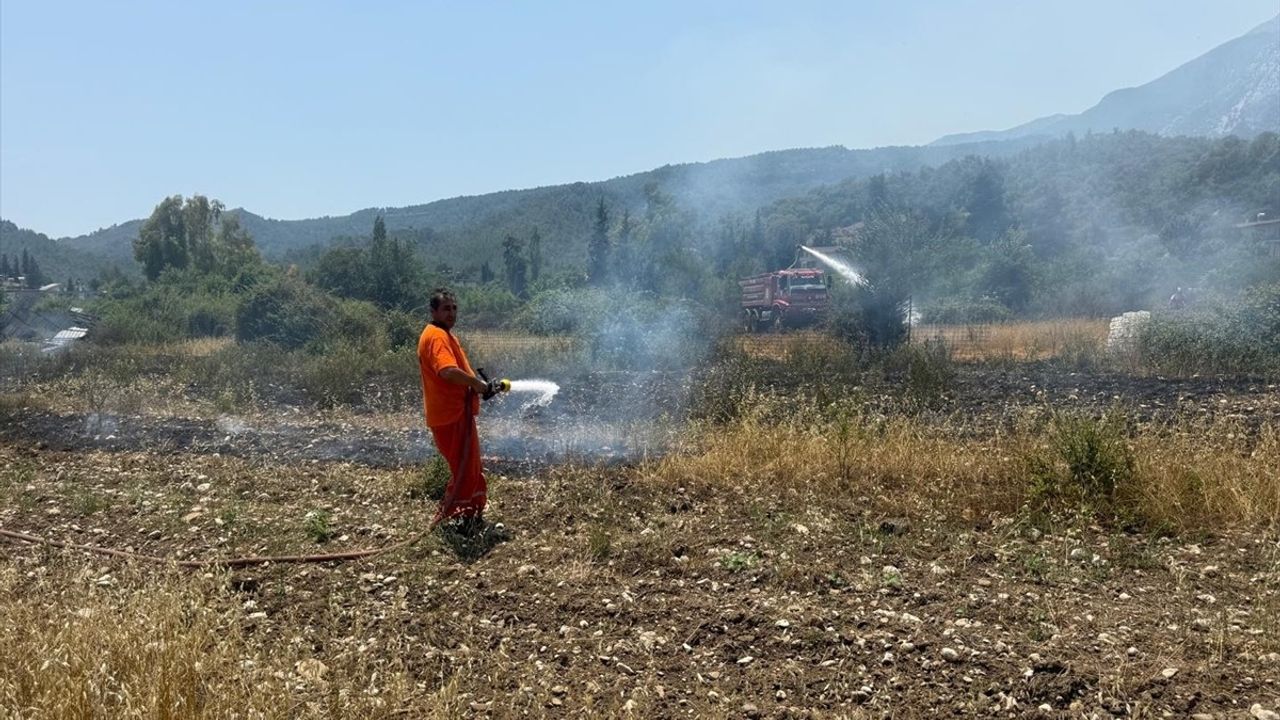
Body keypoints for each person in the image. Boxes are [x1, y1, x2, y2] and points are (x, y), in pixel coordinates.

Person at [417, 288, 506, 533]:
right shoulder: (436, 336)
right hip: (450, 415)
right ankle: (458, 520)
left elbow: (455, 373)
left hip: (455, 414)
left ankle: (468, 518)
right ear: (433, 311)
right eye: (446, 308)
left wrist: (478, 388)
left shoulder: (445, 335)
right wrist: (477, 384)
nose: (451, 313)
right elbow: (446, 370)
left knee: (468, 467)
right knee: (465, 469)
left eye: (454, 308)